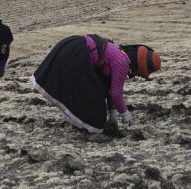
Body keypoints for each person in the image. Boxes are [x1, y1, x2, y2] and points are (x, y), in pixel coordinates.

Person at [31, 34, 161, 143]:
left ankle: (80, 123)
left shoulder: (119, 53)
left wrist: (113, 114)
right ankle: (91, 132)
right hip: (77, 58)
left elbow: (109, 86)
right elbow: (116, 93)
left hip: (73, 48)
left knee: (95, 89)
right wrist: (124, 113)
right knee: (92, 97)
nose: (137, 75)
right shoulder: (123, 63)